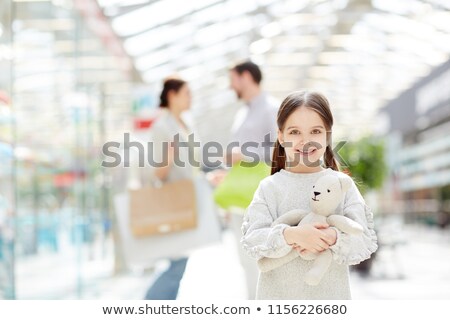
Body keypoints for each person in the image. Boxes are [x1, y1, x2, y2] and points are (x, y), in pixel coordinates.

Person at [241, 91, 378, 299]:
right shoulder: (269, 188)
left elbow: (364, 240)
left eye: (315, 131)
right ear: (281, 136)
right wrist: (292, 235)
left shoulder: (342, 186)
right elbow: (252, 240)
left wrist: (331, 238)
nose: (305, 141)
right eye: (295, 132)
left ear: (327, 135)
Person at [144, 77, 221, 299]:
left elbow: (190, 167)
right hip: (173, 200)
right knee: (177, 262)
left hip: (188, 198)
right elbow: (156, 172)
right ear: (172, 95)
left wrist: (207, 178)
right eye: (187, 93)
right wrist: (168, 157)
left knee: (180, 262)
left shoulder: (185, 125)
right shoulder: (162, 127)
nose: (191, 98)